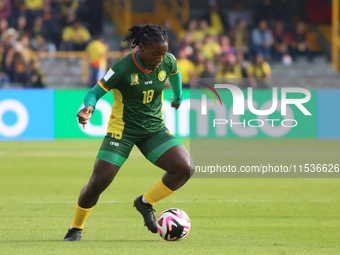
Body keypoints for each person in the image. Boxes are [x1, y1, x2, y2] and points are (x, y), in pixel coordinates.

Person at [63, 24, 194, 241]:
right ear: (141, 48)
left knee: (185, 168)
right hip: (122, 131)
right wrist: (89, 107)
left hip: (154, 129)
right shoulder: (123, 68)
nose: (161, 58)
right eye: (155, 53)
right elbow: (94, 92)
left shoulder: (167, 60)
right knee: (99, 181)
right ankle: (75, 228)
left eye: (163, 53)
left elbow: (175, 72)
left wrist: (178, 97)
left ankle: (145, 202)